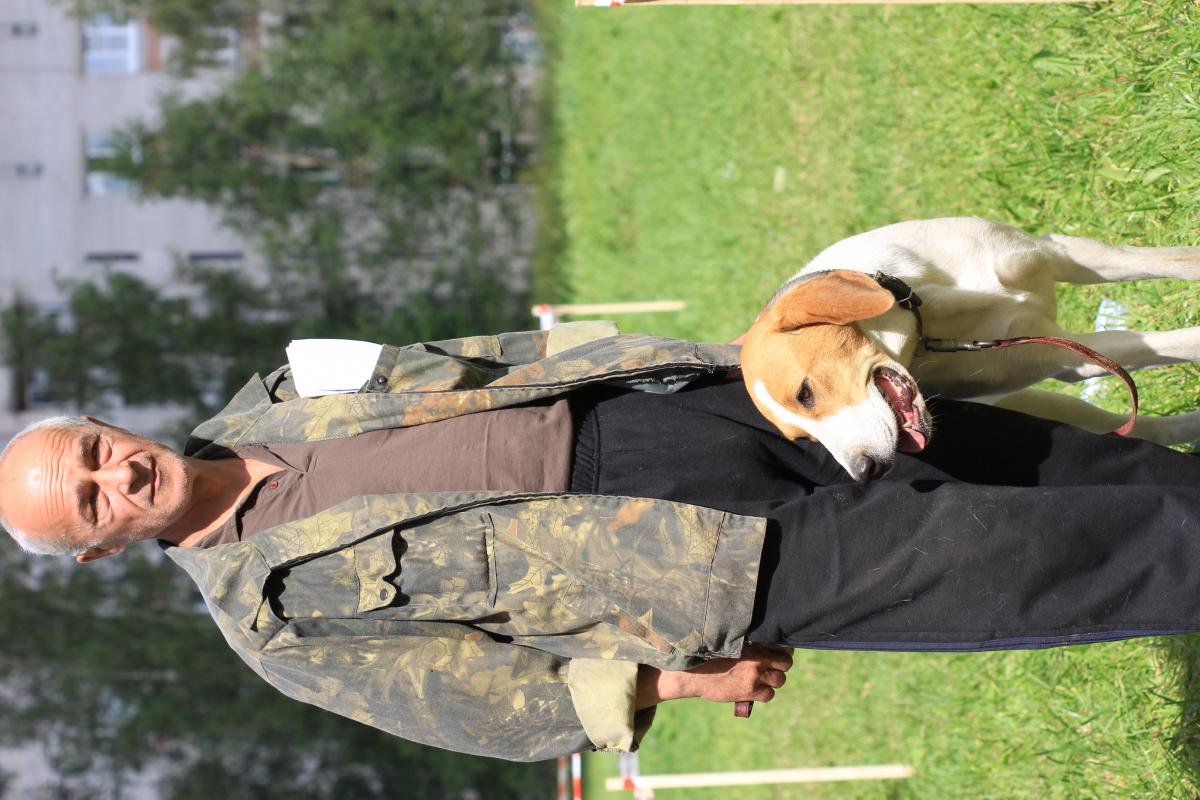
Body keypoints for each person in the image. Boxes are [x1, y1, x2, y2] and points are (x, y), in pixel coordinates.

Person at [2, 322, 1200, 762]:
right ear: (102, 549)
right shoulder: (272, 622)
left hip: (674, 411)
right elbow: (479, 703)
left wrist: (682, 359)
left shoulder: (276, 393)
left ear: (105, 423)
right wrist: (672, 677)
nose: (117, 472)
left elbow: (483, 362)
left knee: (1016, 455)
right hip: (695, 567)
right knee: (1010, 555)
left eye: (94, 450)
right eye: (92, 500)